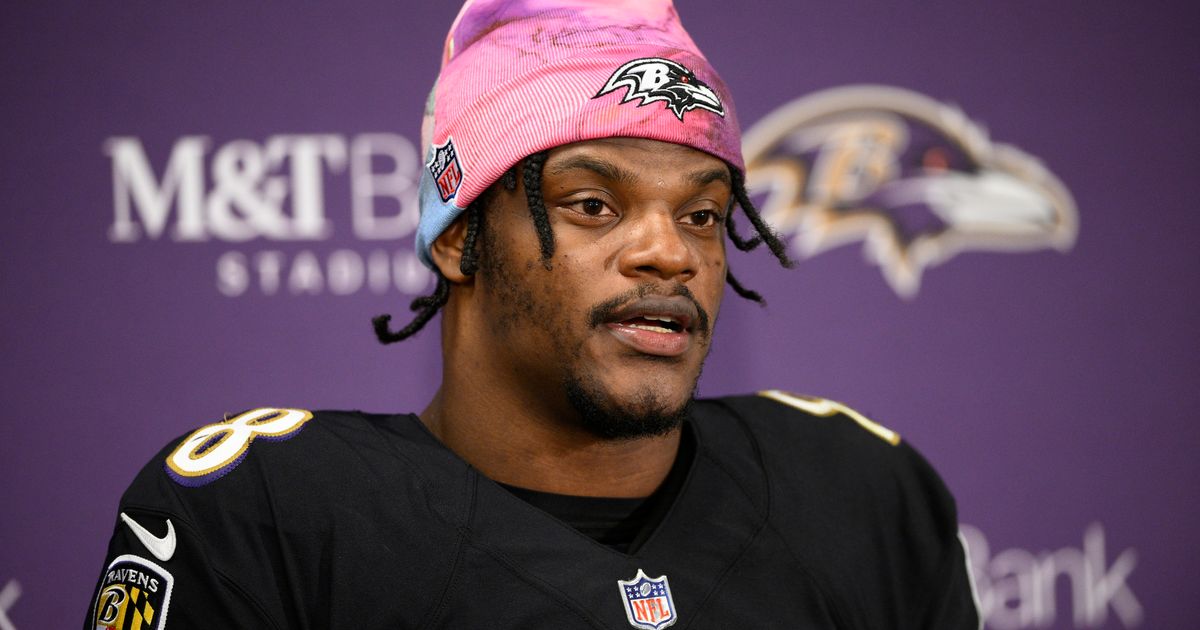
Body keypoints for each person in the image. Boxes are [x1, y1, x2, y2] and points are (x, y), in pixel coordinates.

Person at [86, 1, 981, 628]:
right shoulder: (264, 519)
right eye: (593, 203)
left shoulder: (863, 496)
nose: (669, 252)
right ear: (457, 237)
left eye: (702, 214)